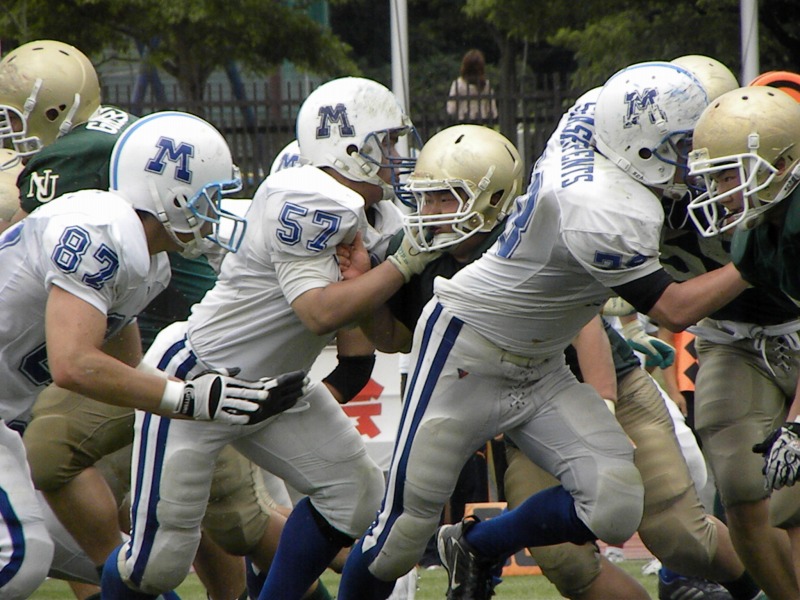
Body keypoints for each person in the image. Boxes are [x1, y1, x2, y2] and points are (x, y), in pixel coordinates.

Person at [333, 60, 756, 600]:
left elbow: (623, 103)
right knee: (398, 537)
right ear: (644, 149)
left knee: (614, 504)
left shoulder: (594, 120)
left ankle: (481, 544)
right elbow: (674, 309)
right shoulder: (600, 208)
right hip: (465, 352)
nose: (690, 165)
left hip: (542, 364)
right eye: (680, 147)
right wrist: (755, 263)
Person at [98, 76, 437, 600]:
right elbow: (318, 313)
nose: (396, 155)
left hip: (279, 387)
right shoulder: (309, 196)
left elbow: (391, 342)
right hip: (200, 379)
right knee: (156, 566)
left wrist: (377, 276)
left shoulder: (381, 216)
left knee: (358, 497)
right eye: (385, 143)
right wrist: (400, 264)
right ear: (349, 150)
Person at [0, 40, 295, 600]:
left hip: (8, 417)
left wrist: (176, 408)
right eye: (208, 197)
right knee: (19, 560)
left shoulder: (148, 261)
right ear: (171, 195)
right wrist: (186, 399)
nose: (213, 213)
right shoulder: (101, 231)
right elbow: (73, 364)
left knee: (128, 569)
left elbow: (119, 362)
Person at [685, 83, 800, 599]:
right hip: (740, 344)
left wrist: (796, 422)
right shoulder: (756, 232)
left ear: (782, 164)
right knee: (766, 492)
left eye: (730, 174)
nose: (720, 190)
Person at [446, 49, 498, 124]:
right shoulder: (486, 85)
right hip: (481, 123)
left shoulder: (458, 84)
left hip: (463, 123)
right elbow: (493, 111)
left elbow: (451, 110)